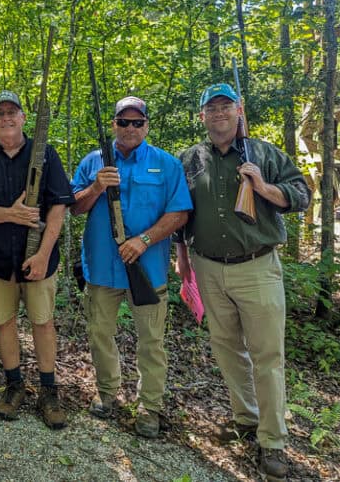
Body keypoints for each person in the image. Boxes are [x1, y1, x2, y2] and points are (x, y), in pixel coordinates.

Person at [174, 83, 311, 482]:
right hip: (207, 266)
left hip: (257, 267)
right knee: (227, 349)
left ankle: (273, 441)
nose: (218, 114)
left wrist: (265, 188)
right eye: (211, 108)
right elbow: (182, 212)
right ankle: (245, 419)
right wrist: (182, 259)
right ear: (202, 116)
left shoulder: (264, 153)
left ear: (238, 111)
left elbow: (302, 193)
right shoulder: (192, 158)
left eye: (225, 106)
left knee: (268, 356)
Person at [71, 96, 191, 438]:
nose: (130, 128)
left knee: (151, 342)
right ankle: (107, 394)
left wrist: (144, 240)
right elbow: (73, 208)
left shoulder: (166, 164)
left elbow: (179, 213)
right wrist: (96, 187)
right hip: (101, 270)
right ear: (114, 124)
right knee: (99, 334)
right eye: (124, 122)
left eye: (137, 122)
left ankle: (149, 408)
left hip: (148, 270)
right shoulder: (93, 162)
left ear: (146, 125)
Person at [0, 90, 75, 430]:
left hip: (40, 260)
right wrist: (10, 214)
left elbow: (58, 208)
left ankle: (49, 391)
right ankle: (14, 385)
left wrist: (43, 254)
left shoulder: (46, 155)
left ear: (23, 117)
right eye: (0, 113)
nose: (6, 118)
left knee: (42, 322)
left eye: (13, 112)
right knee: (3, 321)